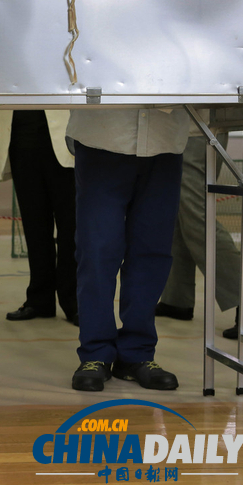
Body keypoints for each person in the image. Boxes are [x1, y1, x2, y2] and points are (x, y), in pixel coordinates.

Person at [68, 108, 190, 392]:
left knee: (152, 251)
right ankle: (95, 353)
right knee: (97, 250)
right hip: (103, 134)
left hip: (165, 139)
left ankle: (138, 354)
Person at [0, 110, 78, 324]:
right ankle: (39, 300)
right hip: (21, 146)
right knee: (35, 229)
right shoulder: (1, 72)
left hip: (65, 146)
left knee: (71, 230)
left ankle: (74, 302)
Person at [155, 119, 243, 339]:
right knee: (180, 215)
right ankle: (177, 298)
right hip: (186, 129)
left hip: (196, 129)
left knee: (196, 217)